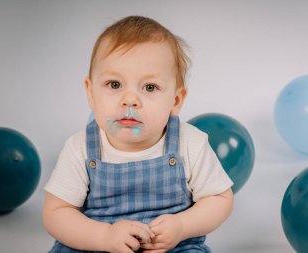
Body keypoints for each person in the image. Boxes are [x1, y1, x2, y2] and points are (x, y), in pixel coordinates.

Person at [43, 16, 234, 253]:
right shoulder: (80, 147)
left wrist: (182, 226)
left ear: (175, 100)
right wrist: (104, 236)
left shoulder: (189, 142)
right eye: (114, 85)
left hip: (171, 246)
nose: (130, 100)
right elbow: (56, 213)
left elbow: (219, 199)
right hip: (94, 243)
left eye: (150, 87)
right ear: (91, 93)